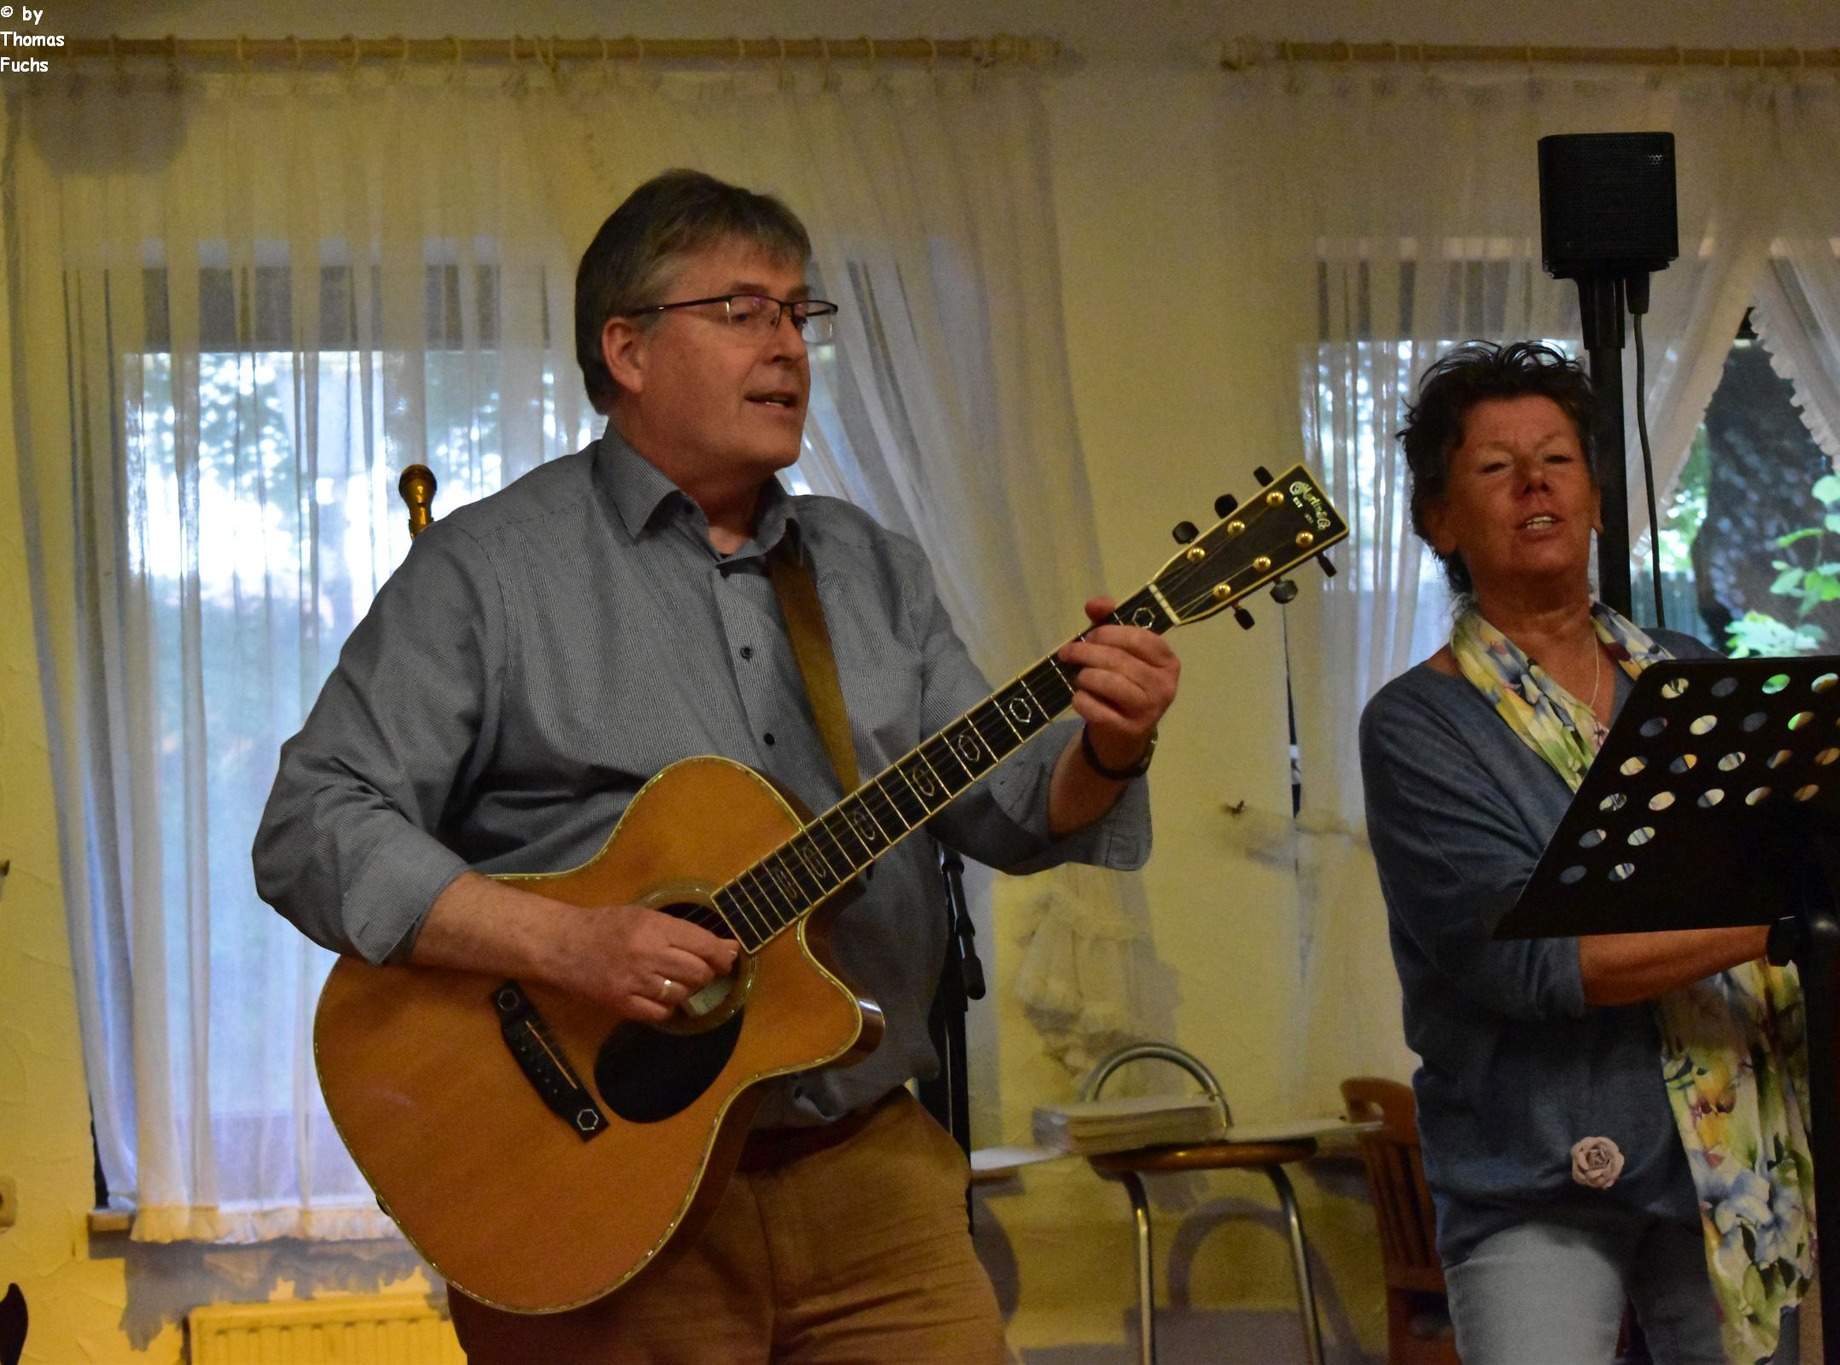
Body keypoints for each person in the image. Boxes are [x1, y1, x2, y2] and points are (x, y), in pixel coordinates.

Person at [253, 168, 1178, 1364]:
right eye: (742, 311)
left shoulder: (870, 569)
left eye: (800, 313)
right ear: (626, 349)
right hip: (593, 1189)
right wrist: (567, 945)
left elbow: (1006, 809)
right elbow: (313, 822)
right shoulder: (487, 570)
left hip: (869, 1177)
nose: (787, 345)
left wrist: (1108, 744)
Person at [1356, 341, 1840, 1365]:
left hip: (1730, 1161)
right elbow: (1530, 961)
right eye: (1495, 466)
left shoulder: (1687, 677)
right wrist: (1785, 922)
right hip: (1532, 1174)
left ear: (1597, 501)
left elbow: (1786, 851)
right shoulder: (1417, 723)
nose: (1535, 482)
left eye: (1558, 458)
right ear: (1438, 520)